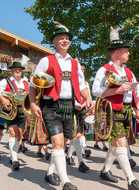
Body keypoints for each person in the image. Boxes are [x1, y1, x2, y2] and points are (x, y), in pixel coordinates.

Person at [29, 23, 94, 190]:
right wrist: (32, 103)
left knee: (62, 143)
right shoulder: (46, 60)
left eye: (67, 38)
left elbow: (81, 84)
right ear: (55, 42)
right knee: (57, 143)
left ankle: (50, 172)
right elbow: (33, 84)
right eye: (61, 38)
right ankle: (66, 182)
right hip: (51, 105)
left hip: (69, 106)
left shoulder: (75, 63)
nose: (65, 40)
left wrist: (88, 99)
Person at [92, 28, 139, 190]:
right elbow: (96, 91)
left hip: (126, 110)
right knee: (120, 142)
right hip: (112, 109)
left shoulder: (128, 71)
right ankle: (131, 179)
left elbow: (136, 91)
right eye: (126, 51)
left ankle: (105, 170)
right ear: (117, 52)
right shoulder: (104, 69)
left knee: (115, 142)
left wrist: (136, 107)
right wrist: (116, 91)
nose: (129, 54)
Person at [0, 61, 29, 170]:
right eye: (15, 69)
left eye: (19, 69)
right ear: (12, 71)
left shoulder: (26, 82)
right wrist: (3, 99)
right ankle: (15, 159)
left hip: (23, 110)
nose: (18, 71)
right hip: (11, 110)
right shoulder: (5, 81)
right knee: (13, 132)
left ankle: (13, 155)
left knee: (19, 135)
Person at [66, 63, 91, 172]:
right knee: (75, 135)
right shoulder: (70, 82)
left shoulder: (85, 83)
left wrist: (84, 105)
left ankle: (69, 155)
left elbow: (87, 96)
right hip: (72, 108)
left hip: (82, 108)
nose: (81, 71)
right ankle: (81, 162)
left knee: (78, 135)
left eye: (83, 69)